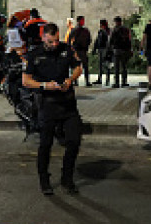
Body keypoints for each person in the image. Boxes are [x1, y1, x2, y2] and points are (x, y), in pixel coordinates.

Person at [22, 23, 84, 195]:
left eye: (56, 41)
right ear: (43, 38)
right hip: (47, 104)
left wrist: (71, 79)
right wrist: (44, 85)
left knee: (74, 141)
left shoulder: (66, 49)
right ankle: (44, 179)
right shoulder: (34, 54)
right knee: (46, 144)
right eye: (50, 42)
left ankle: (67, 178)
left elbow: (78, 68)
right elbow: (26, 80)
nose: (54, 45)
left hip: (67, 103)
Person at [108, 16, 133, 87]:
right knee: (124, 66)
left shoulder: (114, 30)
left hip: (117, 50)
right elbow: (129, 40)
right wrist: (130, 49)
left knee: (117, 67)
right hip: (125, 50)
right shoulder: (126, 30)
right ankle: (124, 81)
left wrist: (109, 50)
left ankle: (117, 82)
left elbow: (111, 41)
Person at [69, 16, 93, 86]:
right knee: (77, 66)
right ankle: (76, 81)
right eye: (82, 20)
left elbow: (89, 39)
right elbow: (70, 40)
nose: (83, 22)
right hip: (77, 50)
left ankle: (87, 81)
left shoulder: (85, 30)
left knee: (85, 66)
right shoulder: (75, 30)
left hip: (83, 50)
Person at [92, 19, 111, 86]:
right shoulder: (101, 31)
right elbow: (97, 40)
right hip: (101, 49)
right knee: (100, 65)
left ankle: (107, 80)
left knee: (106, 65)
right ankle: (100, 79)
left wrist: (108, 50)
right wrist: (94, 49)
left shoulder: (107, 31)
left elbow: (108, 41)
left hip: (105, 49)